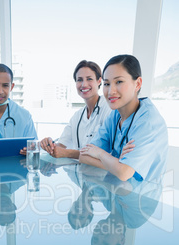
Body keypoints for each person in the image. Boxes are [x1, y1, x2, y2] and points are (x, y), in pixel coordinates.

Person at [79, 54, 168, 182]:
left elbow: (124, 173)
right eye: (106, 83)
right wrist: (118, 163)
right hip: (115, 193)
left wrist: (100, 154)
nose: (110, 91)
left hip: (141, 198)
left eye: (119, 82)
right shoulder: (115, 115)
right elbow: (84, 156)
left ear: (137, 84)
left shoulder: (148, 122)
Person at [40, 60, 111, 159]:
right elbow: (61, 146)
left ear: (99, 81)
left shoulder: (109, 109)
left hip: (103, 172)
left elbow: (107, 154)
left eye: (89, 79)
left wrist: (68, 153)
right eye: (79, 80)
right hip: (79, 172)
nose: (84, 84)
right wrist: (48, 145)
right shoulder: (77, 116)